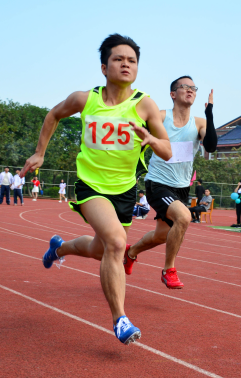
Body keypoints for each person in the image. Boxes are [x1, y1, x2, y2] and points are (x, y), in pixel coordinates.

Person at [20, 34, 172, 345]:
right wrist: (39, 152)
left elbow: (167, 150)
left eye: (132, 60)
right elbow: (53, 114)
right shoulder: (84, 100)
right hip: (90, 186)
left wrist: (152, 139)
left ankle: (59, 248)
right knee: (117, 243)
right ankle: (120, 319)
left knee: (99, 250)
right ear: (104, 67)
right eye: (119, 59)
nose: (126, 64)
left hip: (124, 191)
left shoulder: (145, 104)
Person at [124, 75, 217, 289]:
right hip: (157, 183)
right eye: (184, 86)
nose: (190, 90)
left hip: (181, 188)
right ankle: (169, 270)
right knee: (183, 217)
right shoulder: (160, 117)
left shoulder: (199, 123)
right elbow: (134, 132)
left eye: (193, 87)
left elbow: (211, 146)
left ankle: (131, 253)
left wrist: (210, 113)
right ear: (173, 94)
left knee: (161, 236)